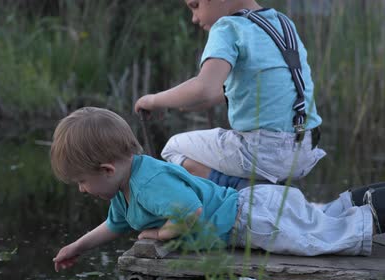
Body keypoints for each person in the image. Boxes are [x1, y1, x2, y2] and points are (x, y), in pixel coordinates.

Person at [51, 107, 385, 271]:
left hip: (250, 219)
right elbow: (115, 226)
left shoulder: (149, 181)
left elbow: (192, 213)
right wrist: (77, 247)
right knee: (323, 217)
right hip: (254, 210)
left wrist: (157, 233)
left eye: (82, 182)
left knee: (332, 235)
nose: (83, 191)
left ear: (106, 168)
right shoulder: (124, 191)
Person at [134, 0, 325, 189]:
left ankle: (240, 192)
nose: (194, 18)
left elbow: (204, 88)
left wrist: (153, 100)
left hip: (265, 151)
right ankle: (267, 192)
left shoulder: (227, 27)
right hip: (305, 147)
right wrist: (183, 101)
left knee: (174, 148)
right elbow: (261, 87)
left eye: (195, 5)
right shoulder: (283, 23)